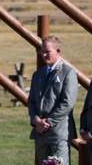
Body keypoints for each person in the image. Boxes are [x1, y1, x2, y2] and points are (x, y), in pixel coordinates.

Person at [28, 35, 79, 165]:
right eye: (42, 51)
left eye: (47, 51)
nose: (44, 55)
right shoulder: (37, 74)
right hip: (40, 132)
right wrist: (36, 120)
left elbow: (67, 102)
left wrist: (49, 122)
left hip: (59, 132)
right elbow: (31, 101)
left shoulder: (68, 73)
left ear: (58, 51)